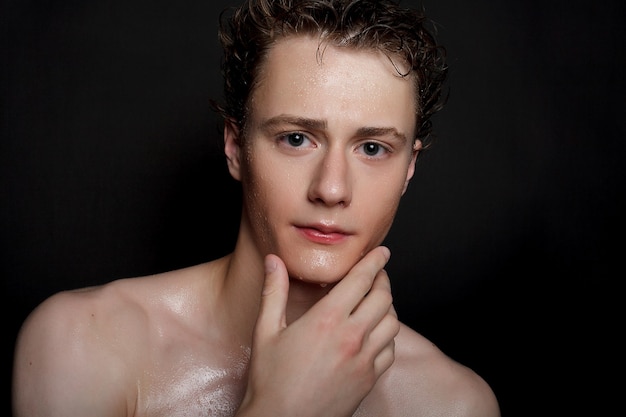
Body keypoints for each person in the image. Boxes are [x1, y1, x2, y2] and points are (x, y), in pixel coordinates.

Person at [12, 0, 501, 416]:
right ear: (235, 147)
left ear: (409, 169)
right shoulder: (81, 344)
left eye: (372, 148)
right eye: (296, 138)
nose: (332, 190)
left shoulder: (451, 404)